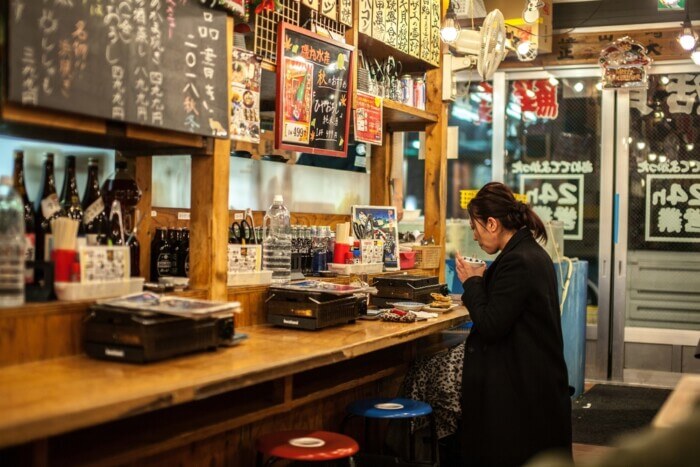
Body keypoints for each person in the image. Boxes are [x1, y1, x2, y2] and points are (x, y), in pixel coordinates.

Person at [454, 182, 572, 466]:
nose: (475, 235)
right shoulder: (528, 252)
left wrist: (472, 282)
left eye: (475, 227)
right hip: (532, 384)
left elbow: (491, 324)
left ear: (492, 224)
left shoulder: (519, 261)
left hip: (522, 392)